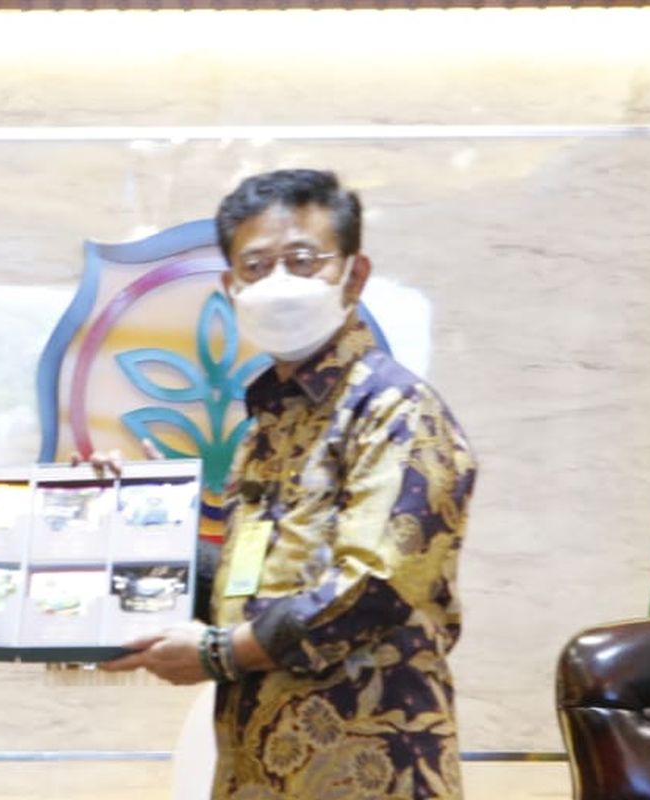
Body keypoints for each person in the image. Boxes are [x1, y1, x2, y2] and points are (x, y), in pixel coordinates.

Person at [101, 169, 477, 799]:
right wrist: (138, 525)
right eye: (256, 265)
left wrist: (220, 653)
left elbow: (371, 586)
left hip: (369, 768)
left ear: (353, 275)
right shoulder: (267, 427)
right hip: (258, 767)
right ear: (230, 286)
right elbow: (250, 589)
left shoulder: (395, 410)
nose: (279, 283)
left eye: (303, 261)